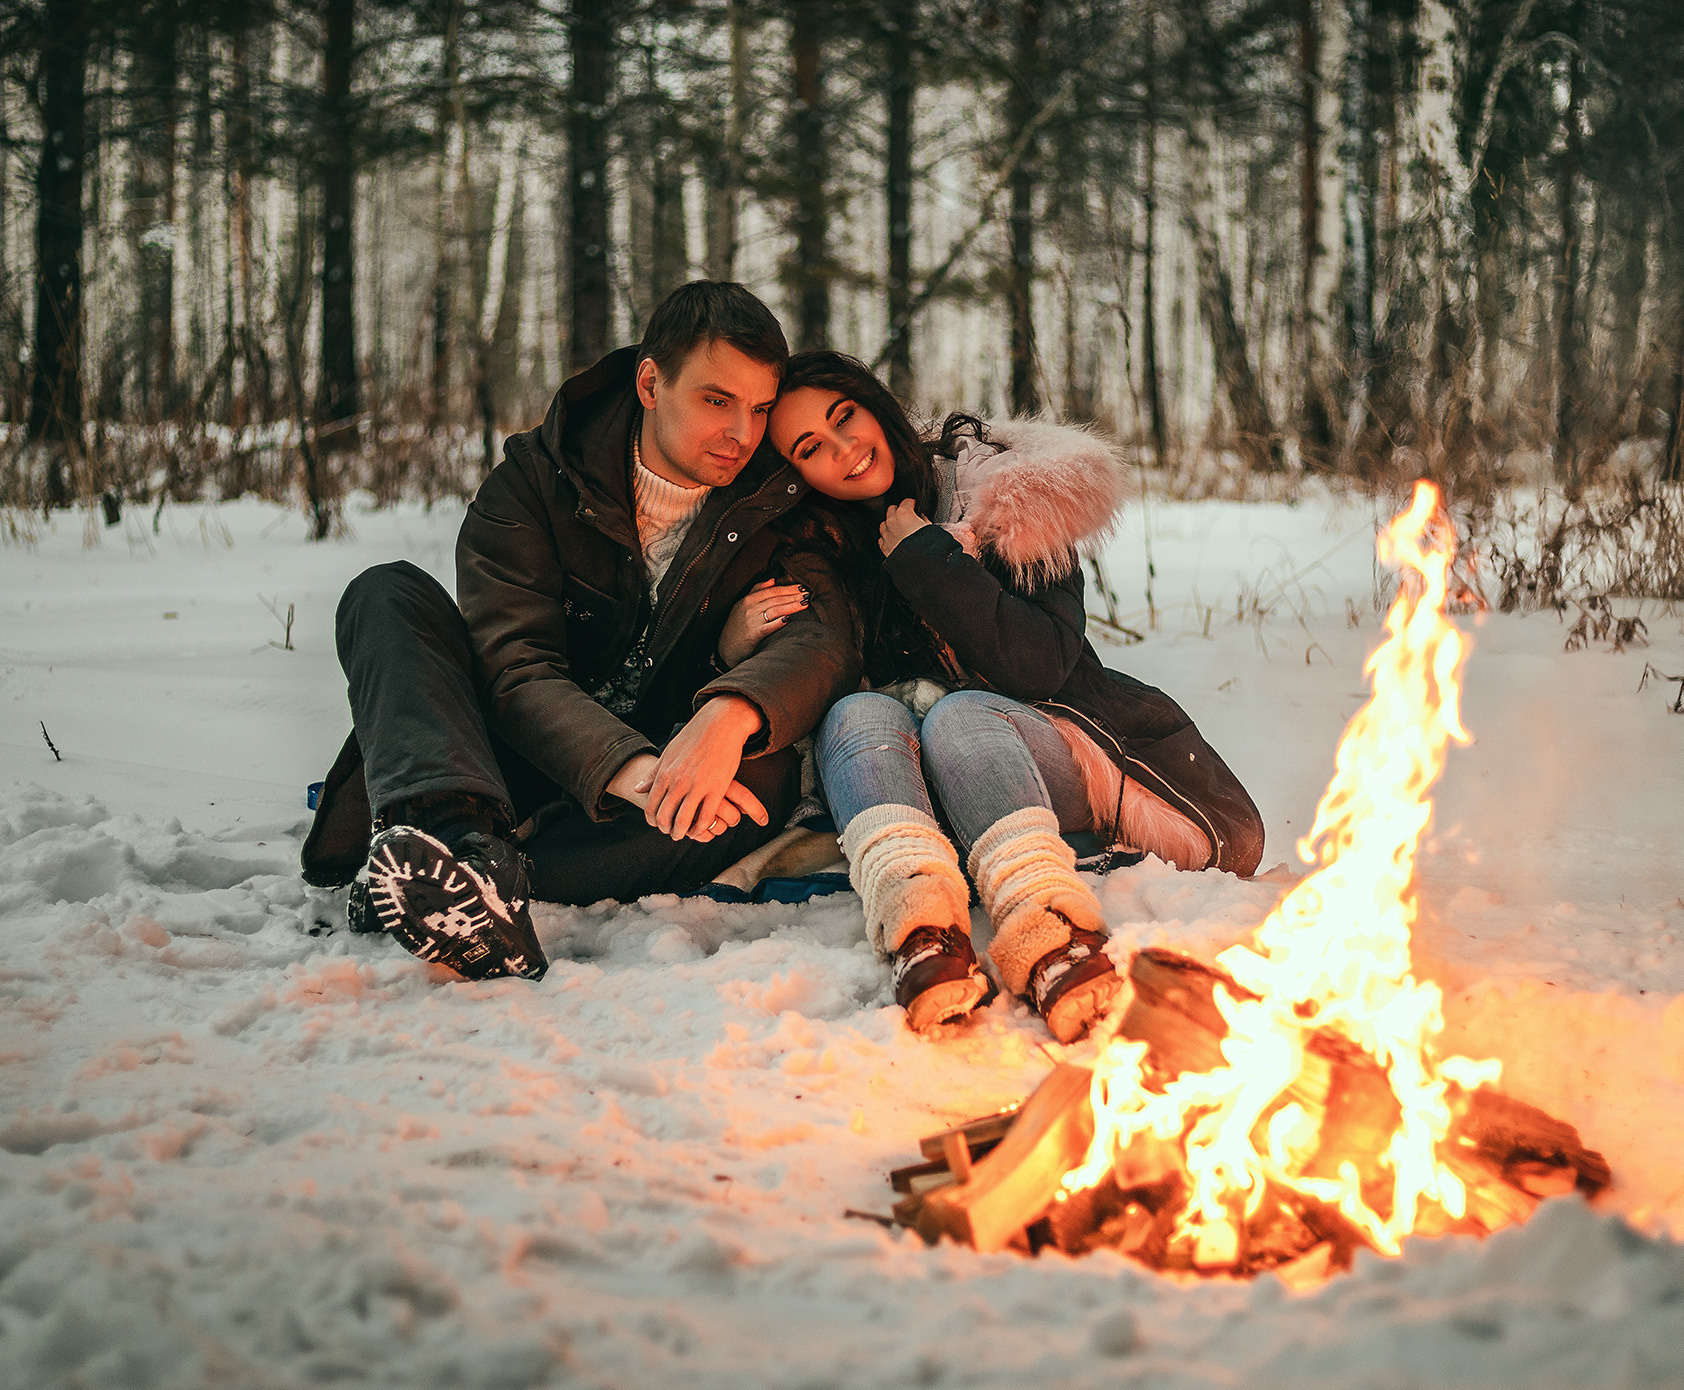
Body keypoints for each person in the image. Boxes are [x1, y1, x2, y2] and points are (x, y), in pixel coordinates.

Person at [300, 283, 859, 981]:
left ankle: (465, 876)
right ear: (651, 383)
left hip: (656, 773)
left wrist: (730, 711)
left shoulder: (774, 500)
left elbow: (824, 637)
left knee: (756, 786)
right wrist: (628, 770)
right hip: (502, 759)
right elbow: (514, 667)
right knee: (383, 593)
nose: (743, 434)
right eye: (717, 401)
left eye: (760, 409)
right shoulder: (535, 482)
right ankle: (457, 843)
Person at [720, 350, 1262, 1043]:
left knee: (959, 713)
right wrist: (736, 643)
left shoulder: (1011, 494)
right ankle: (921, 929)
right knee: (854, 712)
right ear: (796, 473)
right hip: (908, 781)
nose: (844, 450)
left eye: (844, 417)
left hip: (1042, 750)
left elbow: (1040, 665)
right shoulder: (819, 546)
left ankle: (1048, 931)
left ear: (872, 403)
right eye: (810, 449)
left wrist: (926, 559)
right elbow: (809, 670)